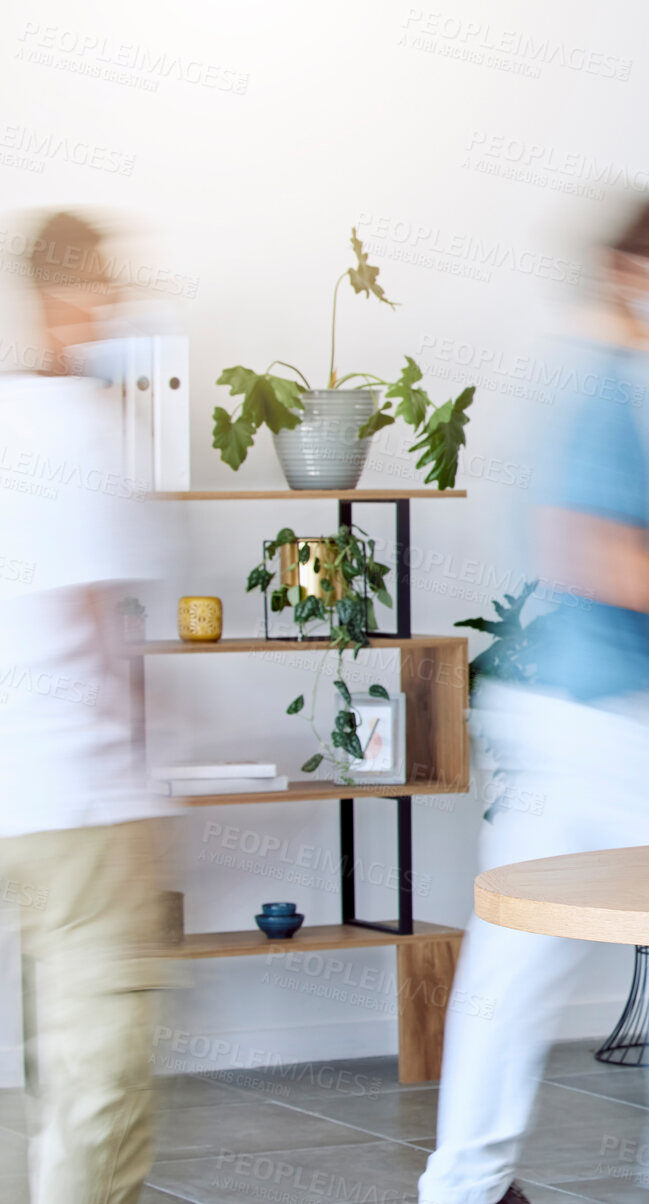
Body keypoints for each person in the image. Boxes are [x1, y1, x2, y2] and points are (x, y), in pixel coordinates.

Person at [416, 195, 649, 1204]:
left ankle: (464, 1184)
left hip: (551, 704)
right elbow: (610, 565)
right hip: (612, 721)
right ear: (639, 273)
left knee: (515, 969)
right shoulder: (612, 393)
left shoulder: (588, 385)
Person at [0, 210, 175, 1204]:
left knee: (63, 1064)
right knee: (100, 1077)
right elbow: (105, 629)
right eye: (106, 286)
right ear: (67, 295)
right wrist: (147, 782)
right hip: (80, 797)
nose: (117, 306)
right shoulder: (86, 424)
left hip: (22, 792)